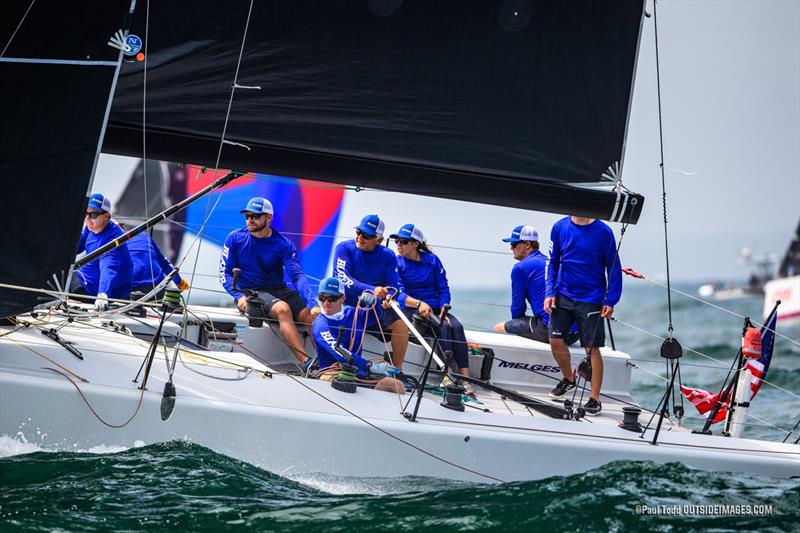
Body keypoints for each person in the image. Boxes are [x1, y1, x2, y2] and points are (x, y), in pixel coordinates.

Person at [219, 197, 321, 367]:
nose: (250, 220)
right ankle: (307, 363)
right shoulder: (235, 239)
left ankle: (327, 362)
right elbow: (225, 273)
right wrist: (238, 295)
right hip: (250, 292)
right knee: (283, 309)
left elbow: (297, 276)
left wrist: (312, 303)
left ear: (269, 218)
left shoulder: (284, 245)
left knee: (311, 317)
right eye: (248, 216)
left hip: (277, 289)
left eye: (255, 216)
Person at [544, 216, 622, 416]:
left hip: (591, 297)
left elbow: (613, 267)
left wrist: (610, 299)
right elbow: (552, 263)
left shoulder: (604, 232)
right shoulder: (559, 227)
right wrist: (549, 293)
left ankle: (595, 399)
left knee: (591, 348)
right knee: (555, 340)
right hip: (564, 294)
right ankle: (569, 379)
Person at [391, 223, 470, 377]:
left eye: (403, 241)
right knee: (443, 327)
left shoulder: (432, 260)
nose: (399, 245)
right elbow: (398, 294)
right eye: (397, 241)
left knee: (457, 326)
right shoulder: (396, 262)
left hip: (434, 308)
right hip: (411, 308)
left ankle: (465, 377)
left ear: (415, 244)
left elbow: (443, 287)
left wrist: (443, 309)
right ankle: (448, 374)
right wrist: (419, 304)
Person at [333, 214, 410, 370]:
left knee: (401, 325)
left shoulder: (388, 256)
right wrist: (372, 289)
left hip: (374, 308)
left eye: (367, 235)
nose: (360, 237)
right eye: (359, 232)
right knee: (354, 318)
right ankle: (350, 367)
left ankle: (397, 370)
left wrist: (389, 298)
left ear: (379, 240)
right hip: (347, 305)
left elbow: (393, 286)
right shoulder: (343, 249)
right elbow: (344, 279)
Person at [311, 277, 404, 394]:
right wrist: (370, 366)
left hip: (359, 371)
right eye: (322, 298)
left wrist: (375, 303)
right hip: (332, 370)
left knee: (397, 386)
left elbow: (373, 317)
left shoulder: (353, 313)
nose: (326, 302)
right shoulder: (320, 325)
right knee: (338, 382)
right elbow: (341, 353)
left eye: (332, 298)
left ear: (342, 298)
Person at [493, 225, 578, 345]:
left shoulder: (520, 268)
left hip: (551, 331)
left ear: (527, 244)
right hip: (574, 335)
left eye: (514, 244)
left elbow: (518, 307)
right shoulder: (552, 263)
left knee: (499, 327)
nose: (511, 248)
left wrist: (516, 325)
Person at [74, 193, 133, 310]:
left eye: (93, 214)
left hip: (100, 291)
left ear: (106, 216)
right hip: (84, 279)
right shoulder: (91, 227)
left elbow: (108, 266)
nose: (87, 219)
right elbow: (77, 246)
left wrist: (102, 293)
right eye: (86, 213)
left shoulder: (112, 239)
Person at [127, 231, 190, 296]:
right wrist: (179, 282)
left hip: (133, 285)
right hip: (158, 285)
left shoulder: (118, 241)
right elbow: (165, 263)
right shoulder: (144, 235)